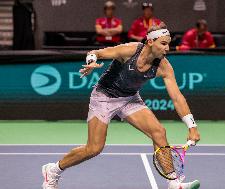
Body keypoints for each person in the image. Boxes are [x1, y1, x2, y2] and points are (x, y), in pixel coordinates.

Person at [41, 22, 201, 189]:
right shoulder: (130, 50)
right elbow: (96, 53)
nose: (167, 48)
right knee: (94, 148)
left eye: (168, 43)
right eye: (163, 43)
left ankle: (173, 182)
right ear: (150, 42)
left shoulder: (164, 67)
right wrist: (91, 61)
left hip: (130, 99)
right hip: (104, 97)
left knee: (159, 132)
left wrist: (192, 126)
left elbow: (177, 97)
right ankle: (53, 170)